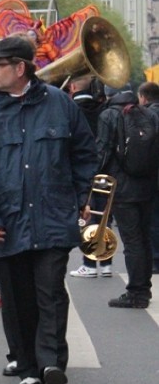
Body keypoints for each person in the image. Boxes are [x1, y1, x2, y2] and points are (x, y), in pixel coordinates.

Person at [0, 36, 96, 384]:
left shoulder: (61, 105)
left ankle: (51, 362)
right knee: (18, 299)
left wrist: (82, 197)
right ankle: (28, 367)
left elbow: (84, 154)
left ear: (20, 68)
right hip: (6, 222)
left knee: (50, 291)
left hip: (52, 216)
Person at [96, 85, 159, 308]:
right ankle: (144, 290)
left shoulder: (109, 114)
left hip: (122, 187)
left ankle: (136, 293)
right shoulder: (148, 112)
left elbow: (102, 152)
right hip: (148, 185)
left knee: (132, 242)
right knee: (143, 237)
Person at [67, 75, 113, 278]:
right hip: (105, 168)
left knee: (86, 216)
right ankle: (106, 262)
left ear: (73, 86)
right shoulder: (104, 109)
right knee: (104, 215)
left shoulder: (69, 110)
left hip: (82, 170)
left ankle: (90, 263)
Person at [138, 82, 159, 275]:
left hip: (153, 175)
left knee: (153, 219)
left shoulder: (147, 116)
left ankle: (156, 259)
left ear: (144, 97)